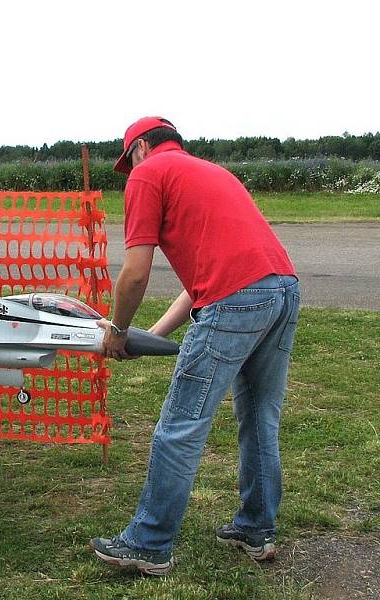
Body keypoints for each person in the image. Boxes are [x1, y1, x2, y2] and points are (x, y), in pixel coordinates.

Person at [90, 117, 300, 575]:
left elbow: (135, 274)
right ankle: (256, 528)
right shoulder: (211, 173)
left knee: (180, 426)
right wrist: (151, 337)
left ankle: (149, 544)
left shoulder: (149, 174)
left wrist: (118, 331)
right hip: (281, 290)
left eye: (129, 163)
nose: (130, 173)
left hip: (238, 300)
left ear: (141, 148)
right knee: (261, 416)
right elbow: (199, 287)